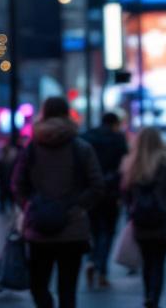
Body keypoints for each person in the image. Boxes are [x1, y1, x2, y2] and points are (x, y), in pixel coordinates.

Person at [12, 96, 104, 308]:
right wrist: (78, 207)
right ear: (67, 113)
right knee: (68, 290)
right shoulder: (81, 147)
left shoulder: (32, 147)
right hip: (73, 229)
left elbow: (17, 183)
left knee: (38, 285)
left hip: (38, 228)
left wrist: (29, 206)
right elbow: (97, 185)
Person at [122, 128, 166, 308]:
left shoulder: (132, 163)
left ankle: (147, 293)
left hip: (140, 220)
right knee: (159, 261)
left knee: (146, 260)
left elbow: (125, 192)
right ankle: (153, 297)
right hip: (161, 219)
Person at [81, 110, 129, 289]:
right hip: (111, 192)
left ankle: (91, 259)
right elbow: (123, 166)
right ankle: (101, 269)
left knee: (93, 230)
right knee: (108, 232)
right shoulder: (118, 139)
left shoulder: (87, 137)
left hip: (90, 192)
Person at [0, 142, 19, 214]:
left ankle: (6, 209)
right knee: (6, 198)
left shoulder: (5, 160)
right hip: (7, 182)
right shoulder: (8, 160)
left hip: (6, 182)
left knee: (6, 198)